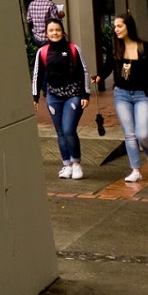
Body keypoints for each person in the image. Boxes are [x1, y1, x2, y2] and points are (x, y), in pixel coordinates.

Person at [95, 12, 148, 183]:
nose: (116, 29)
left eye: (119, 26)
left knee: (143, 134)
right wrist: (99, 76)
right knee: (130, 134)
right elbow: (108, 67)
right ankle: (136, 170)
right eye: (115, 27)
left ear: (128, 27)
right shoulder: (115, 48)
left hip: (142, 95)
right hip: (122, 95)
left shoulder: (145, 47)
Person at [32, 19, 91, 179]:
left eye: (57, 30)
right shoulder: (42, 52)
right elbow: (37, 75)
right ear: (46, 33)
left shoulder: (73, 49)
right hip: (53, 97)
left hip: (73, 95)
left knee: (68, 130)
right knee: (60, 132)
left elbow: (84, 71)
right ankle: (67, 165)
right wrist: (35, 96)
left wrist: (85, 94)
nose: (55, 33)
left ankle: (76, 163)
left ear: (63, 31)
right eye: (51, 30)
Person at [25, 0, 59, 73]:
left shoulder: (32, 4)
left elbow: (28, 19)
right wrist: (60, 15)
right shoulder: (50, 5)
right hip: (47, 39)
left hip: (37, 38)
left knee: (42, 59)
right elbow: (55, 21)